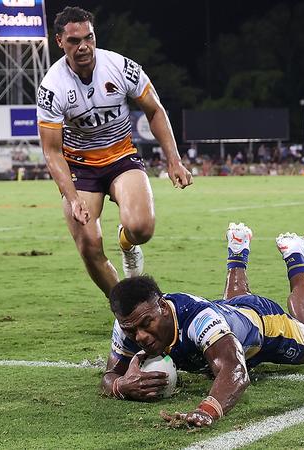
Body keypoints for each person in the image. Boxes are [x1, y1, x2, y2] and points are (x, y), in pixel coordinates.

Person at [101, 222, 304, 427]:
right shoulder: (127, 324)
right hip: (229, 313)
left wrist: (207, 410)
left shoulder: (197, 319)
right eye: (131, 330)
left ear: (162, 307)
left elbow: (235, 369)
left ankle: (296, 254)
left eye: (146, 323)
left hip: (263, 325)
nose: (139, 336)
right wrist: (120, 386)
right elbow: (110, 375)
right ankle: (238, 250)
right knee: (231, 313)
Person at [36, 7, 192, 297]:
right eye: (73, 41)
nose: (83, 46)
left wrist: (174, 160)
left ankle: (126, 241)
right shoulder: (52, 87)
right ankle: (125, 307)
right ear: (60, 41)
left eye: (89, 37)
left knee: (142, 228)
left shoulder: (121, 67)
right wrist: (72, 198)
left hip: (121, 158)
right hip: (80, 168)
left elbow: (155, 110)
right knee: (88, 246)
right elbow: (51, 151)